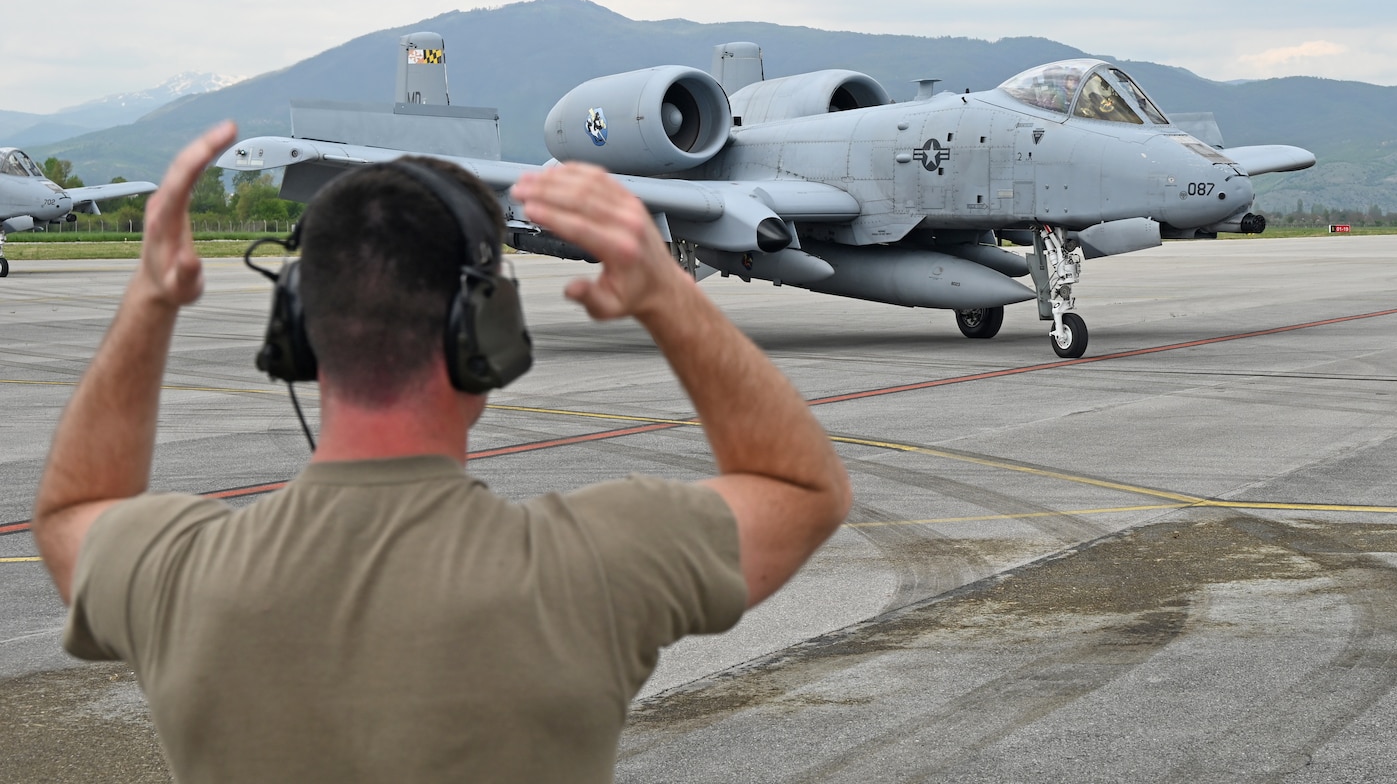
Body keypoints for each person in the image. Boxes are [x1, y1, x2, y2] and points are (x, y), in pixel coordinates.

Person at [32, 121, 852, 784]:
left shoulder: (174, 574)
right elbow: (799, 489)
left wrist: (151, 301)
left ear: (293, 329)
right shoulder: (594, 567)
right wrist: (669, 293)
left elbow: (72, 511)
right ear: (487, 330)